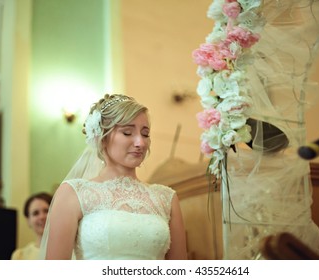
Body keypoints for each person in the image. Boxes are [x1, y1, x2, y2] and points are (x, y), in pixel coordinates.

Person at [41, 93, 187, 260]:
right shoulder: (74, 193)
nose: (140, 143)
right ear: (102, 137)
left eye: (145, 134)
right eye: (127, 132)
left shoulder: (166, 198)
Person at [11, 192, 53, 260]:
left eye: (46, 211)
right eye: (35, 213)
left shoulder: (72, 250)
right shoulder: (20, 256)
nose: (42, 217)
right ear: (28, 220)